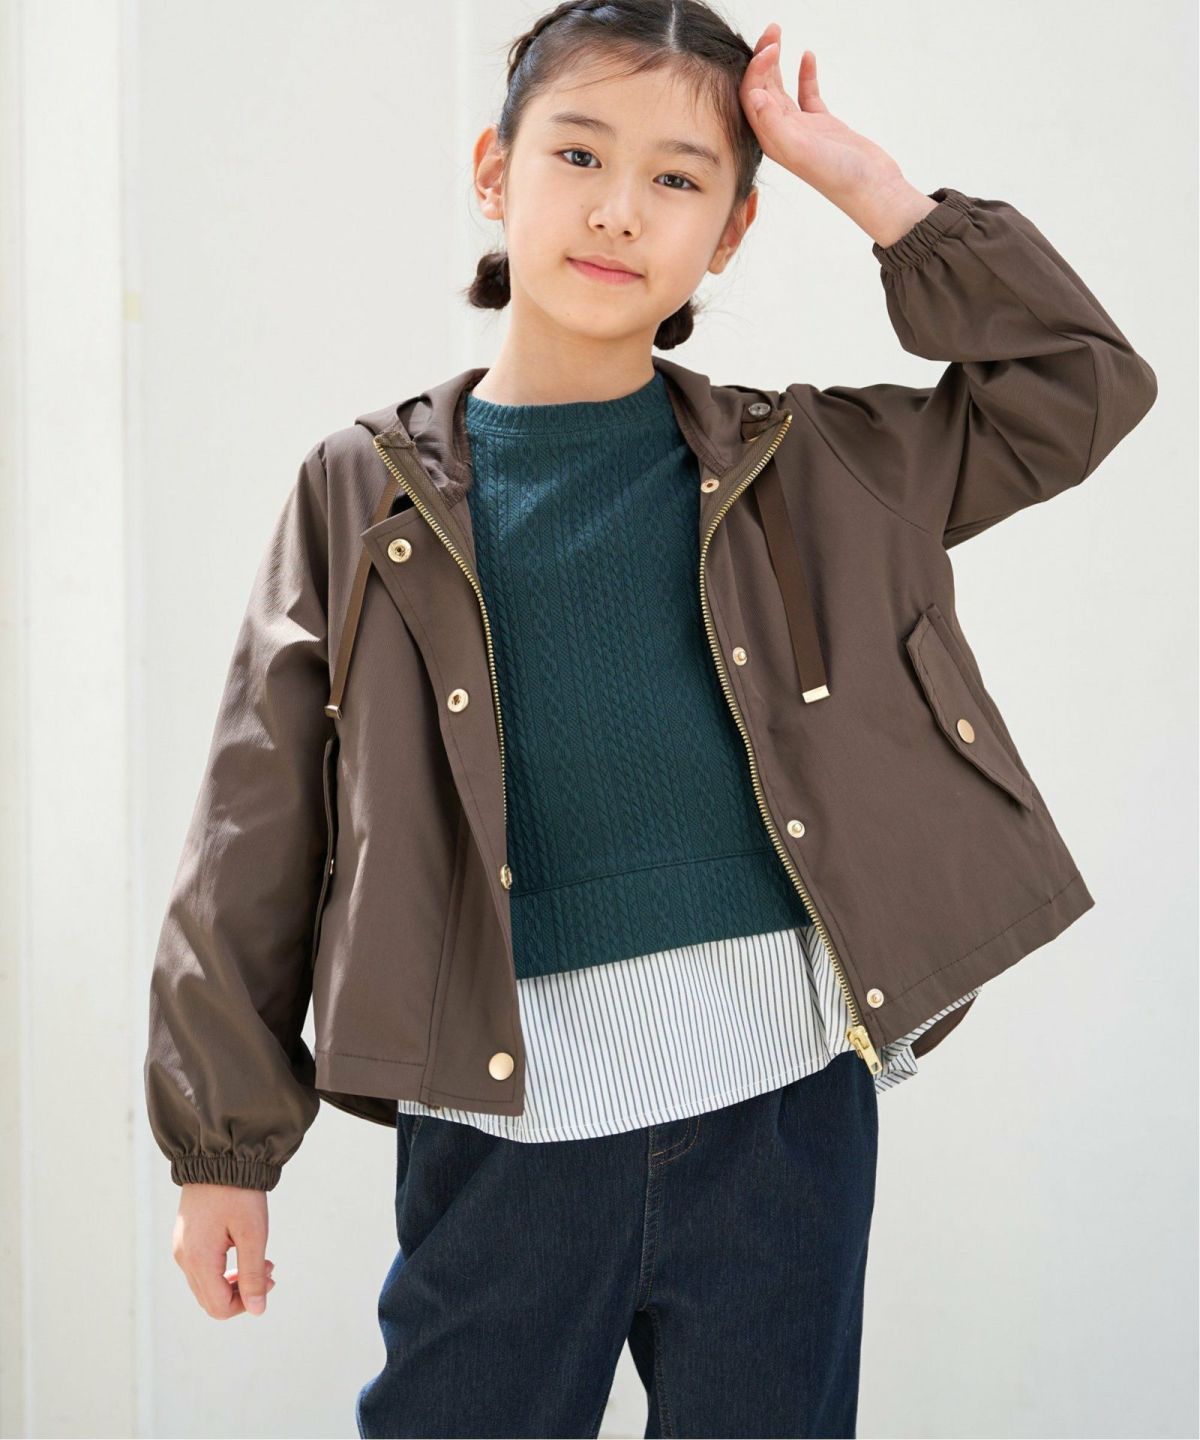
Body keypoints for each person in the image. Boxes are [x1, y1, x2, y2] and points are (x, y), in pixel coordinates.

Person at [143, 3, 1158, 1437]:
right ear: (493, 173)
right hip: (504, 1132)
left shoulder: (816, 465)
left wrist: (868, 187)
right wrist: (222, 1149)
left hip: (782, 1117)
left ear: (731, 232)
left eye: (680, 178)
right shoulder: (362, 492)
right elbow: (253, 828)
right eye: (578, 154)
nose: (620, 209)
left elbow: (1078, 384)